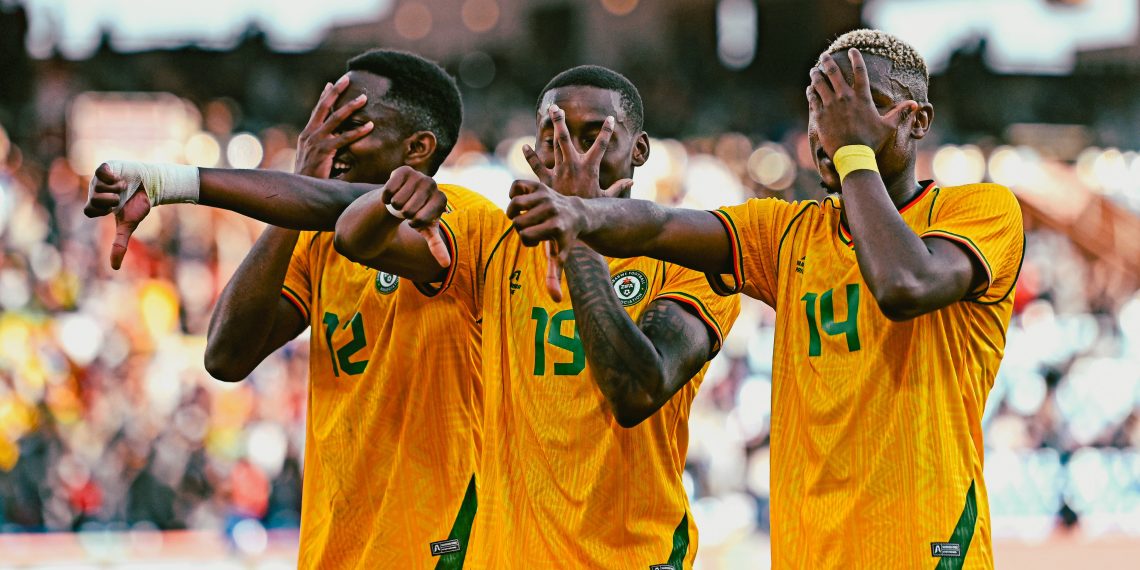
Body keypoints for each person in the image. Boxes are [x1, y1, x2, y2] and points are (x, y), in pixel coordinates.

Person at [506, 30, 1022, 569]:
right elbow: (658, 225)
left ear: (918, 122)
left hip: (926, 551)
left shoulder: (980, 210)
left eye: (867, 108)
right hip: (806, 554)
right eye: (822, 108)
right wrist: (582, 214)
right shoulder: (785, 234)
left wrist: (853, 153)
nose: (833, 128)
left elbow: (903, 284)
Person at [85, 49, 495, 569]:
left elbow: (349, 220)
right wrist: (297, 190)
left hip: (440, 549)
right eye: (325, 117)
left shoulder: (463, 217)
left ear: (417, 147)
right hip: (335, 550)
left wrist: (173, 183)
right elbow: (226, 356)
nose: (327, 135)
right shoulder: (315, 242)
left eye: (351, 122)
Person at [332, 65, 740, 568]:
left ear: (640, 151)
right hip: (505, 555)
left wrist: (581, 234)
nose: (570, 156)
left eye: (594, 137)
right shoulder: (494, 240)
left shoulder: (689, 259)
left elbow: (634, 393)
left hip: (627, 556)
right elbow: (352, 238)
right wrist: (389, 202)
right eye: (554, 138)